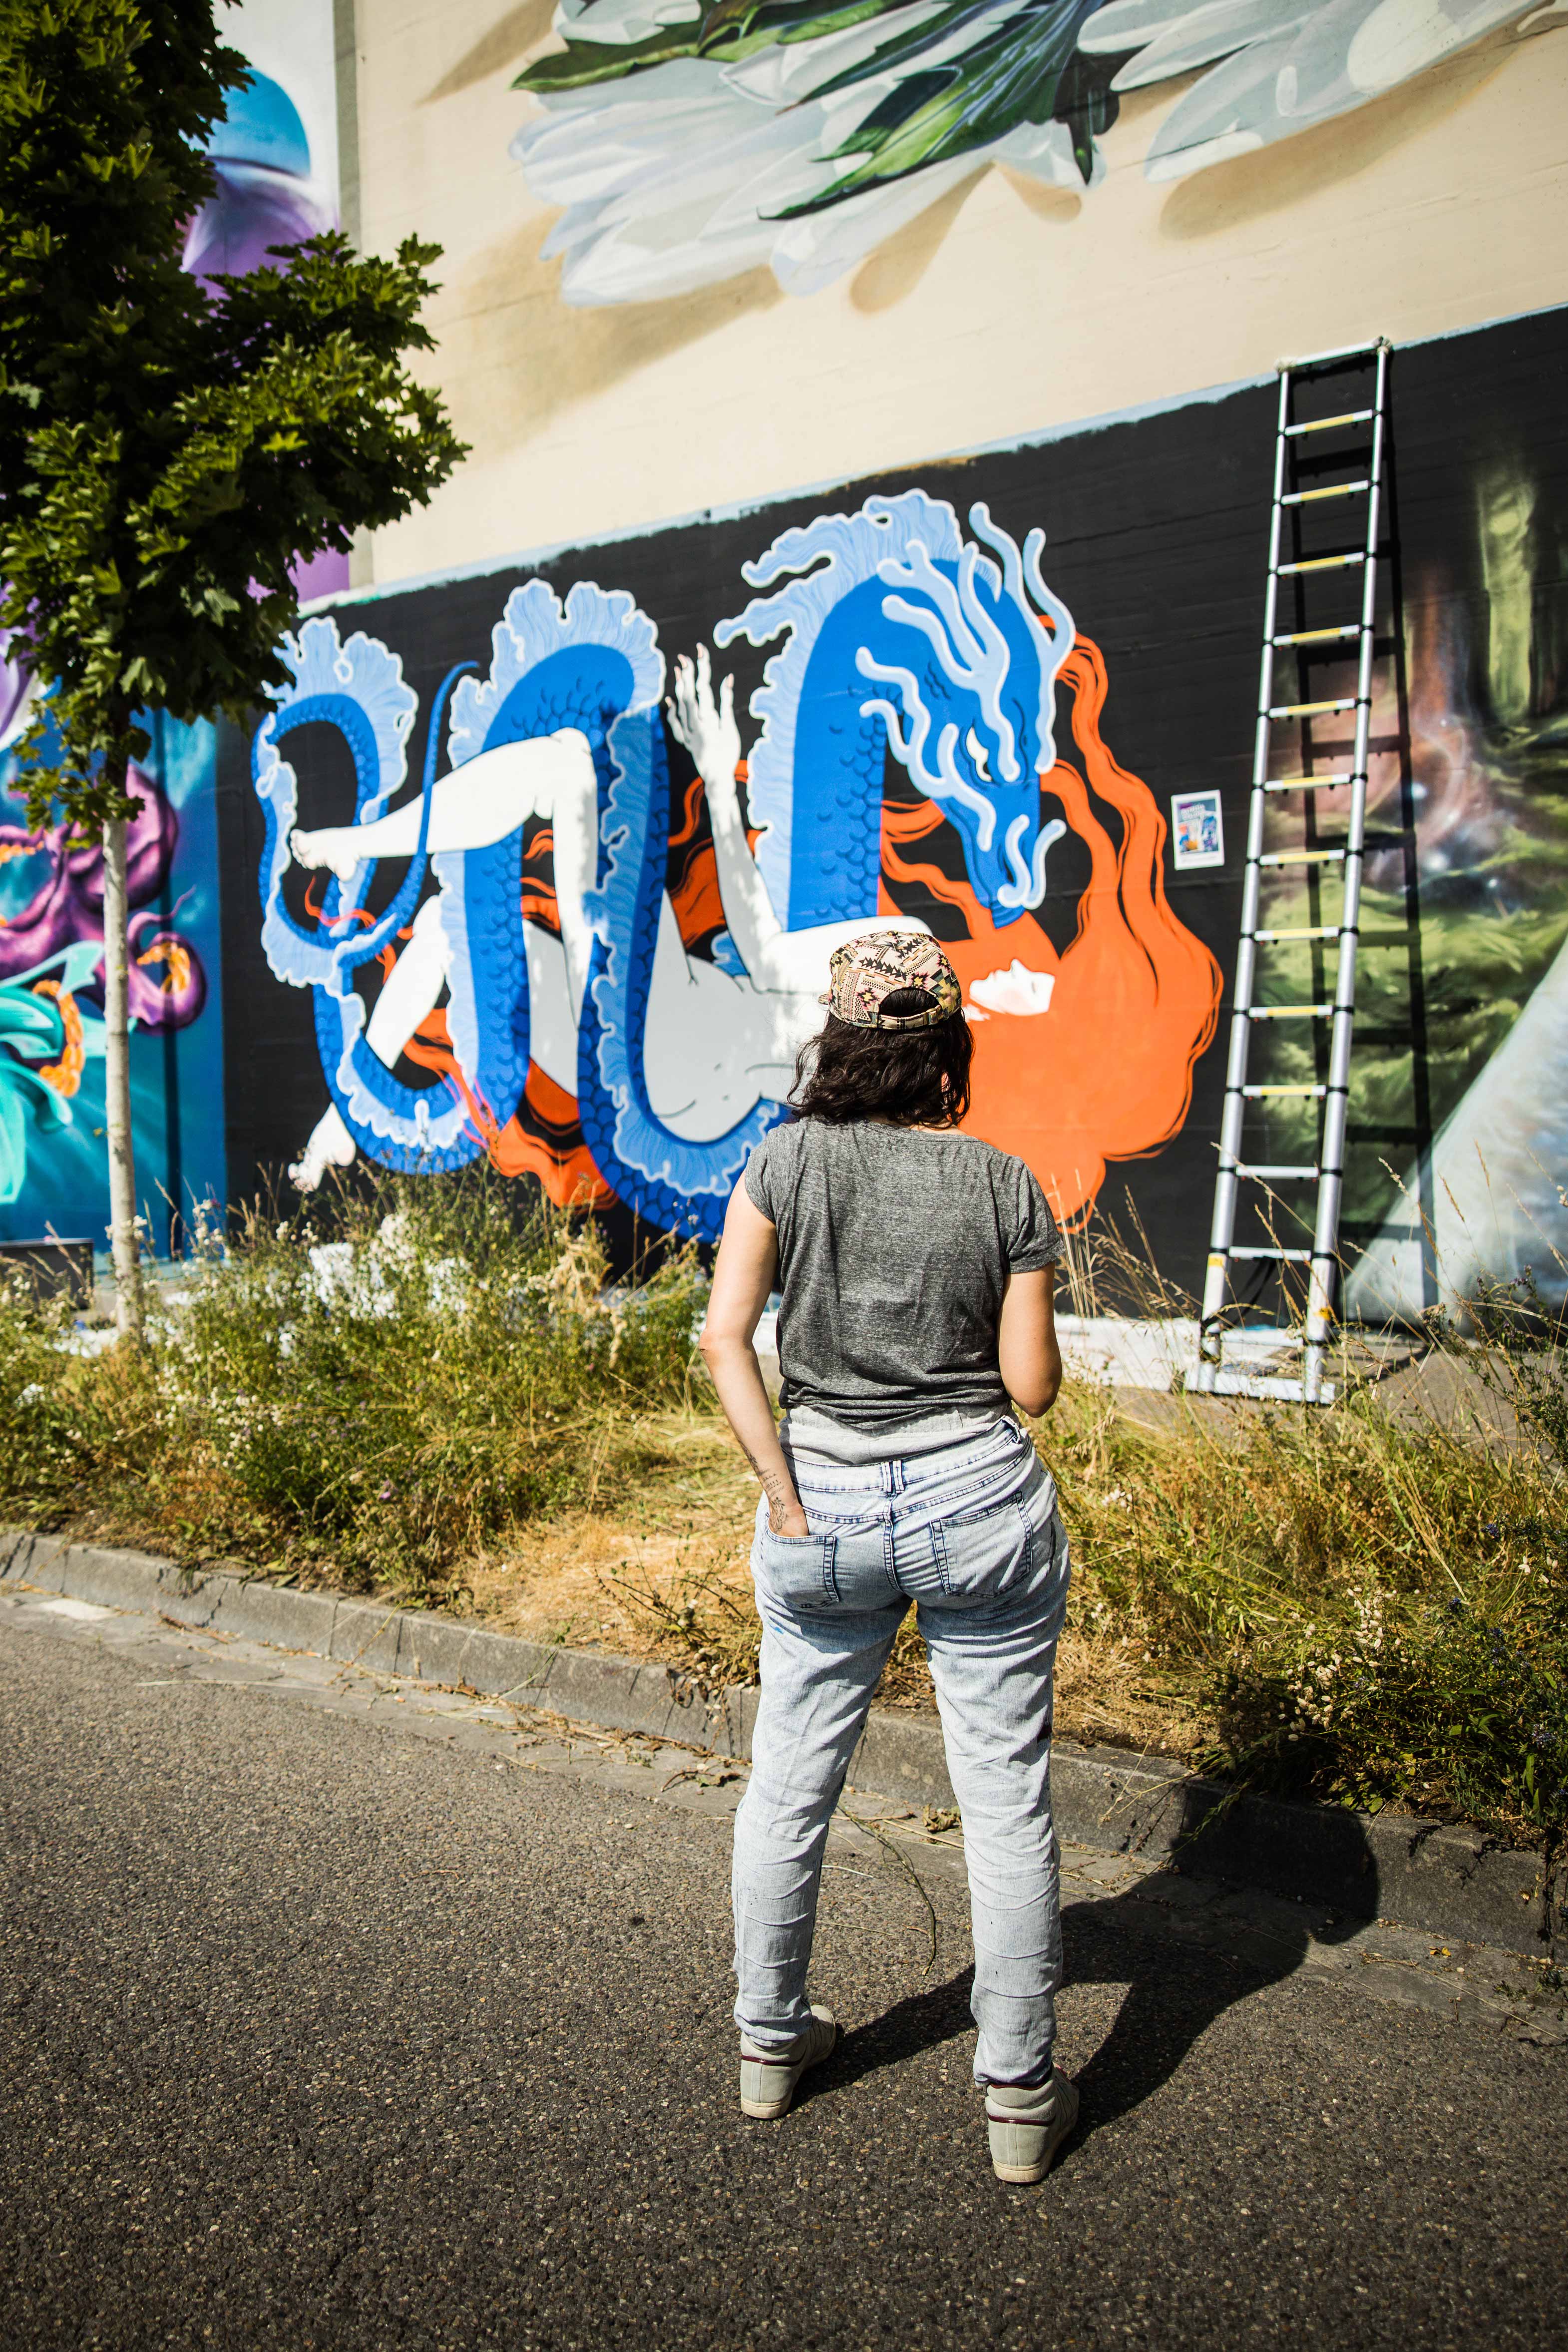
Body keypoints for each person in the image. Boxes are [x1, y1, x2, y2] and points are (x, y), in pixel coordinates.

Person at [699, 930, 1076, 2186]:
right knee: (1003, 1797)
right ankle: (1019, 2097)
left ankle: (768, 2047)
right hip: (978, 1502)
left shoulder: (781, 1161)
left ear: (841, 1035)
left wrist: (783, 1493)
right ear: (945, 1042)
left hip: (824, 1509)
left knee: (790, 1784)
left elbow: (723, 1342)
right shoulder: (1005, 1184)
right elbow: (1031, 1391)